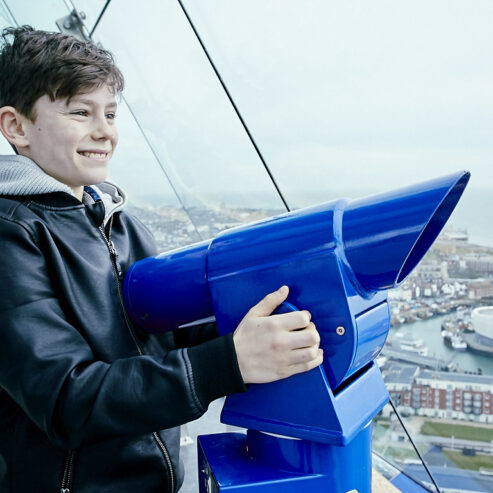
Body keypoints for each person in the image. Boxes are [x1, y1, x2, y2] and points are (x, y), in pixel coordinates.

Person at [0, 26, 323, 492]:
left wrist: (262, 324)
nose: (104, 131)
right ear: (16, 127)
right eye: (80, 112)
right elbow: (67, 398)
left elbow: (163, 335)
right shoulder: (12, 235)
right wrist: (229, 362)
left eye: (110, 113)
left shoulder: (120, 223)